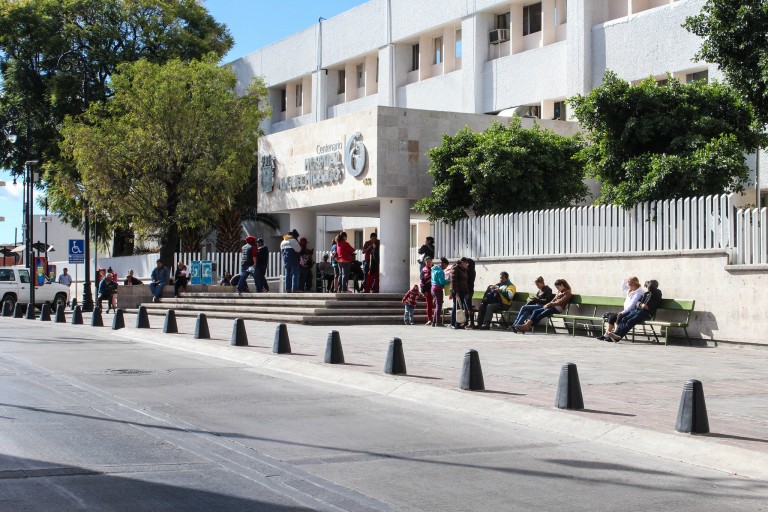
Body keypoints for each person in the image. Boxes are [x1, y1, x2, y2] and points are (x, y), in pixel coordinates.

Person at [597, 276, 643, 341]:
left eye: (630, 283)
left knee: (618, 317)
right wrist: (624, 280)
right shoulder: (631, 290)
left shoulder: (638, 292)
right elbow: (623, 288)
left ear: (635, 283)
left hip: (631, 312)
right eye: (628, 282)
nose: (628, 284)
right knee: (612, 317)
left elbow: (632, 306)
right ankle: (606, 335)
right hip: (626, 310)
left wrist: (623, 312)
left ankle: (614, 335)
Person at [449, 258, 470, 329]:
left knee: (460, 307)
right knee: (456, 307)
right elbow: (453, 281)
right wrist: (456, 292)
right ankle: (453, 323)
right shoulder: (455, 268)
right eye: (466, 263)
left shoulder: (464, 270)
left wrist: (466, 291)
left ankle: (458, 323)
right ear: (462, 262)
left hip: (463, 291)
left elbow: (465, 282)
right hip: (457, 291)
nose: (467, 264)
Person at [430, 257, 451, 326]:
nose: (446, 268)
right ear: (444, 264)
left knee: (437, 306)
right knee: (439, 306)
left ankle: (434, 322)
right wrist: (449, 281)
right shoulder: (440, 271)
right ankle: (437, 322)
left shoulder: (434, 269)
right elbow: (442, 282)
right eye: (446, 266)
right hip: (438, 289)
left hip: (433, 288)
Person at [420, 256, 434, 325]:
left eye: (430, 261)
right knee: (429, 305)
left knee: (436, 304)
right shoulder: (423, 271)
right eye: (427, 262)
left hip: (435, 290)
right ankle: (429, 319)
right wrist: (423, 291)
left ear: (432, 262)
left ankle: (436, 319)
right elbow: (422, 282)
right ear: (425, 263)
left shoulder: (435, 269)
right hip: (427, 291)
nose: (428, 263)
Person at [465, 258, 476, 328]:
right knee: (466, 306)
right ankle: (467, 322)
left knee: (468, 307)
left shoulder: (469, 271)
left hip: (468, 290)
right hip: (470, 290)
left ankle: (471, 322)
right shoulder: (472, 270)